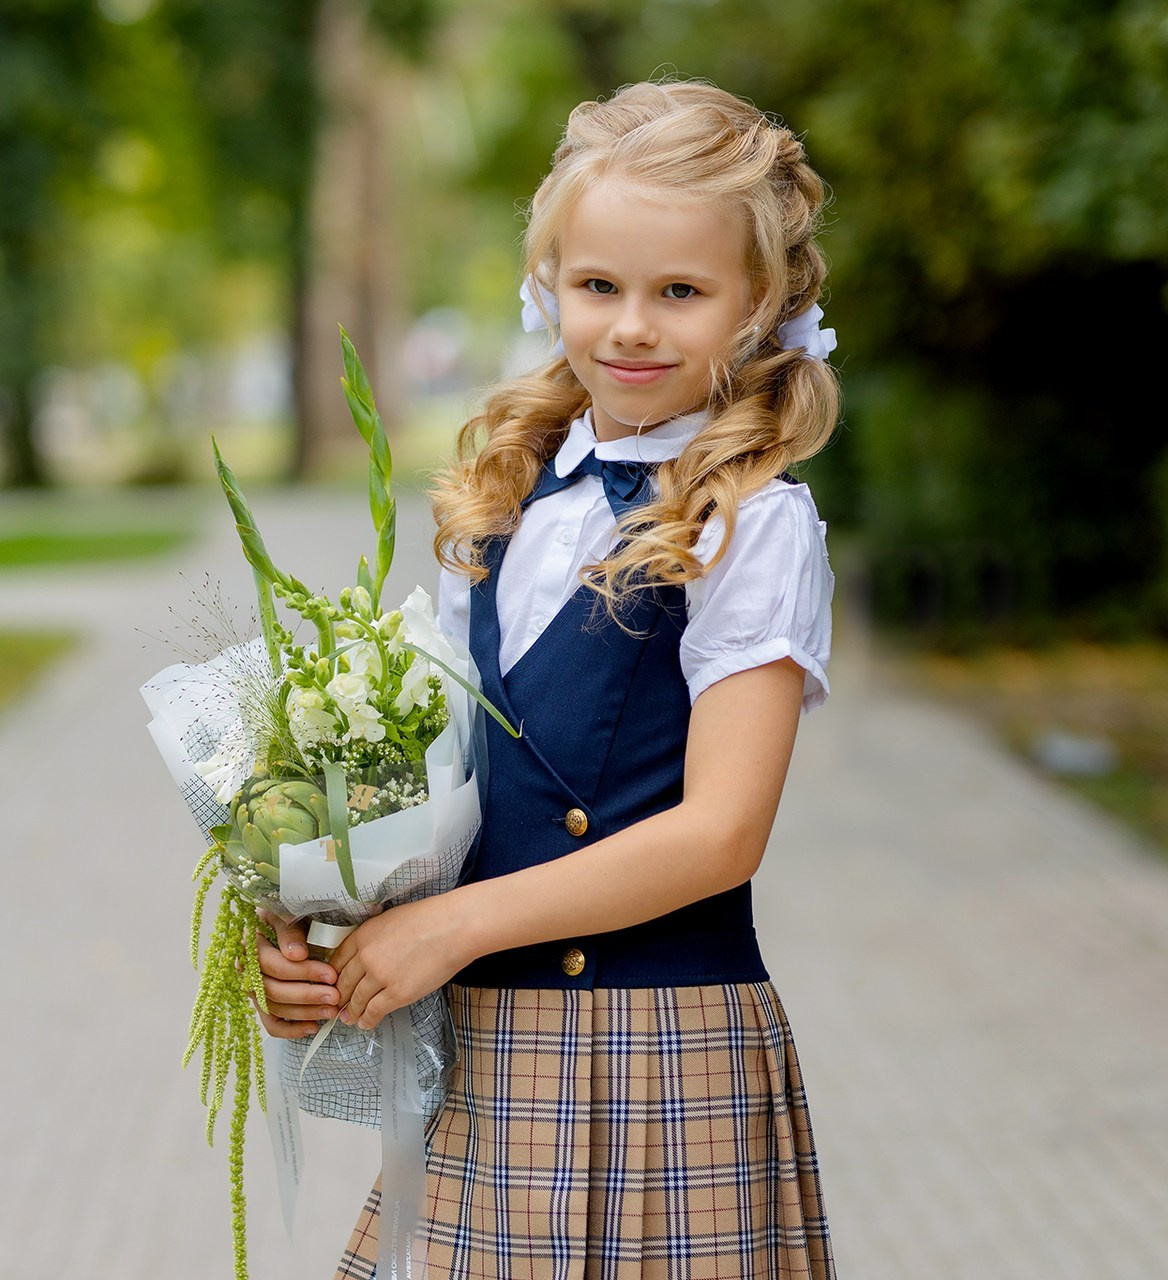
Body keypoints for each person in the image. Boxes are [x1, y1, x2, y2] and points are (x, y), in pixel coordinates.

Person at [257, 78, 841, 1279]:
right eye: (597, 286)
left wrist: (450, 926)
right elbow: (455, 797)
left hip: (659, 1058)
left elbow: (722, 831)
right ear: (549, 284)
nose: (630, 326)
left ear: (758, 301)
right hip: (486, 1052)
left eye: (679, 291)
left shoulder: (753, 522)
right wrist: (333, 928)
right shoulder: (506, 498)